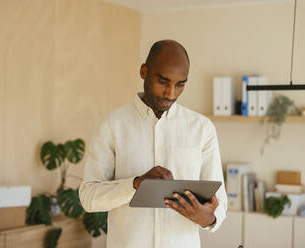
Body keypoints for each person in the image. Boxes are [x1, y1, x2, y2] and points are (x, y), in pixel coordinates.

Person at [79, 39, 227, 248]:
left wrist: (209, 219)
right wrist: (136, 184)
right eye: (163, 81)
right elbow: (88, 197)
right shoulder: (112, 126)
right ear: (144, 71)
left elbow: (219, 203)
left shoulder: (202, 129)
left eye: (180, 84)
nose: (171, 93)